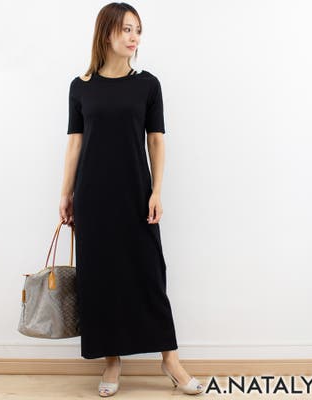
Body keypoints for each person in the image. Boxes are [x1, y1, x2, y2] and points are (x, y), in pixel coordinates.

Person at [59, 2, 204, 397]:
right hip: (92, 196)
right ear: (106, 32)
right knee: (101, 278)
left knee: (149, 276)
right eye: (126, 29)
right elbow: (75, 144)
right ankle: (112, 361)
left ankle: (169, 358)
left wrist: (157, 190)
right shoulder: (81, 86)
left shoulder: (148, 84)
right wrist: (65, 193)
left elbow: (156, 140)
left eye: (137, 29)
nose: (133, 37)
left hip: (136, 194)